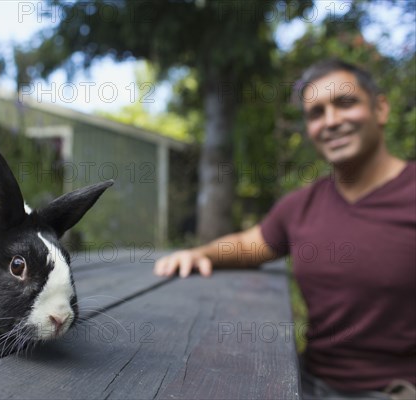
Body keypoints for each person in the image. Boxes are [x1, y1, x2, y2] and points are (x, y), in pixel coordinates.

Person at [154, 59, 415, 400]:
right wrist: (199, 253)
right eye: (316, 113)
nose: (331, 121)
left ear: (380, 108)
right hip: (309, 384)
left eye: (345, 103)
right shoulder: (301, 206)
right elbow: (249, 245)